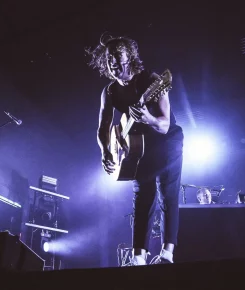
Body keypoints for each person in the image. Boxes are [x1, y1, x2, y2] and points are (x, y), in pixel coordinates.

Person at [86, 33, 184, 266]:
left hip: (167, 140)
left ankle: (167, 254)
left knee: (166, 193)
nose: (112, 62)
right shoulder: (109, 91)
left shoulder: (152, 80)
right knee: (142, 198)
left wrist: (147, 117)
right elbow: (103, 127)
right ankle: (138, 257)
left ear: (129, 57)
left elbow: (164, 124)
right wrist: (106, 152)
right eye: (109, 58)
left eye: (117, 56)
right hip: (139, 146)